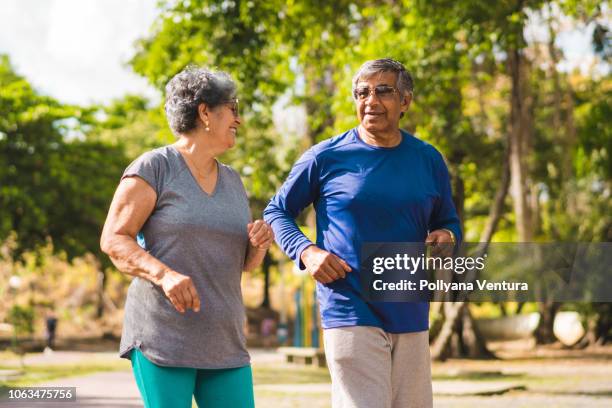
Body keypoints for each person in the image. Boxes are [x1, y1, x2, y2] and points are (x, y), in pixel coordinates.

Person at [264, 58, 462, 408]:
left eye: (383, 91)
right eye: (362, 93)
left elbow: (446, 219)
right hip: (349, 306)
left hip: (410, 308)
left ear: (405, 101)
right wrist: (307, 252)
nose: (370, 101)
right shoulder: (325, 157)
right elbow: (276, 211)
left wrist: (446, 235)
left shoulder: (428, 159)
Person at [100, 66, 274, 408]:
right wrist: (164, 275)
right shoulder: (155, 167)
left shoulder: (234, 181)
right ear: (205, 112)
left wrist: (259, 245)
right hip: (163, 338)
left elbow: (244, 265)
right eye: (233, 108)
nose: (239, 120)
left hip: (225, 343)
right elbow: (114, 239)